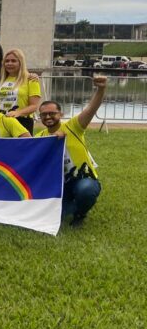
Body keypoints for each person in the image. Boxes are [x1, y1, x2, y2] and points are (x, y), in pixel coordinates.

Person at [36, 76, 107, 227]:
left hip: (82, 179)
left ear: (60, 114)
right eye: (44, 114)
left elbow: (91, 109)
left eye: (52, 113)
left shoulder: (74, 126)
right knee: (57, 216)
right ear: (39, 117)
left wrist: (101, 89)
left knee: (86, 190)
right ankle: (69, 205)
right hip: (58, 186)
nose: (48, 117)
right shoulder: (39, 138)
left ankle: (80, 214)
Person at [0, 48, 41, 134]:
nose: (9, 63)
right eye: (7, 61)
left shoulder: (31, 79)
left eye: (13, 61)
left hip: (22, 121)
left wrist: (18, 113)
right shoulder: (2, 80)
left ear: (21, 63)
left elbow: (34, 106)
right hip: (2, 120)